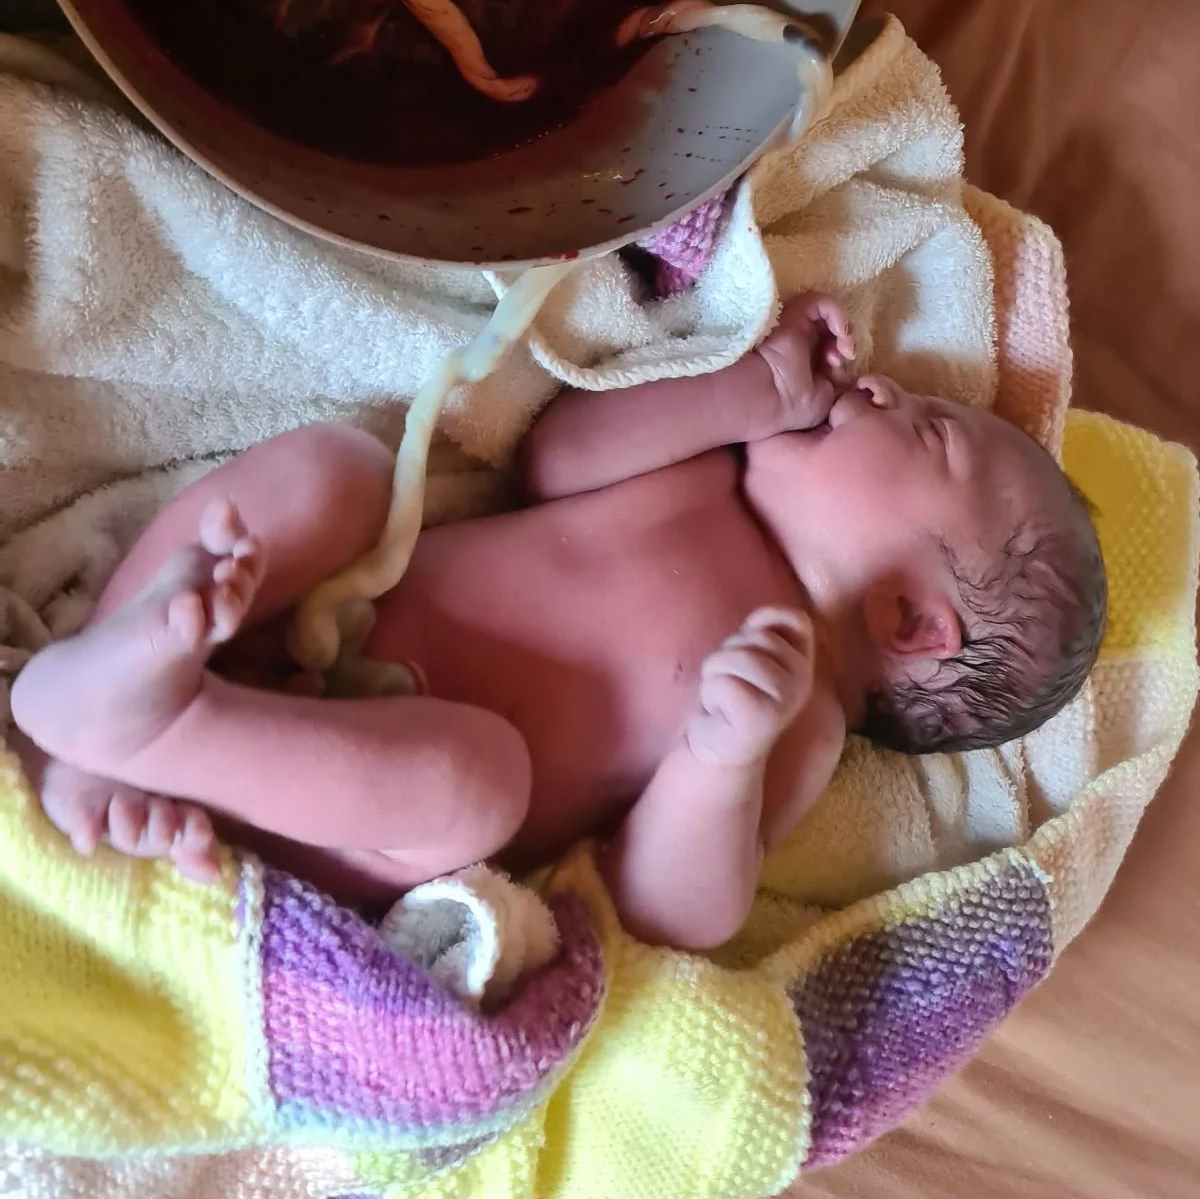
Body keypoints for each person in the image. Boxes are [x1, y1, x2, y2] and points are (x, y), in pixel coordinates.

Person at [10, 297, 1106, 951]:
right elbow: (557, 459)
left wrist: (717, 759)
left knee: (483, 782)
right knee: (333, 473)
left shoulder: (798, 720)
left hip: (353, 808)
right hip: (298, 610)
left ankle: (159, 733)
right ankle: (120, 669)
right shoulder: (710, 479)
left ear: (910, 616)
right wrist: (756, 391)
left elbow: (671, 912)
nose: (880, 392)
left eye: (921, 436)